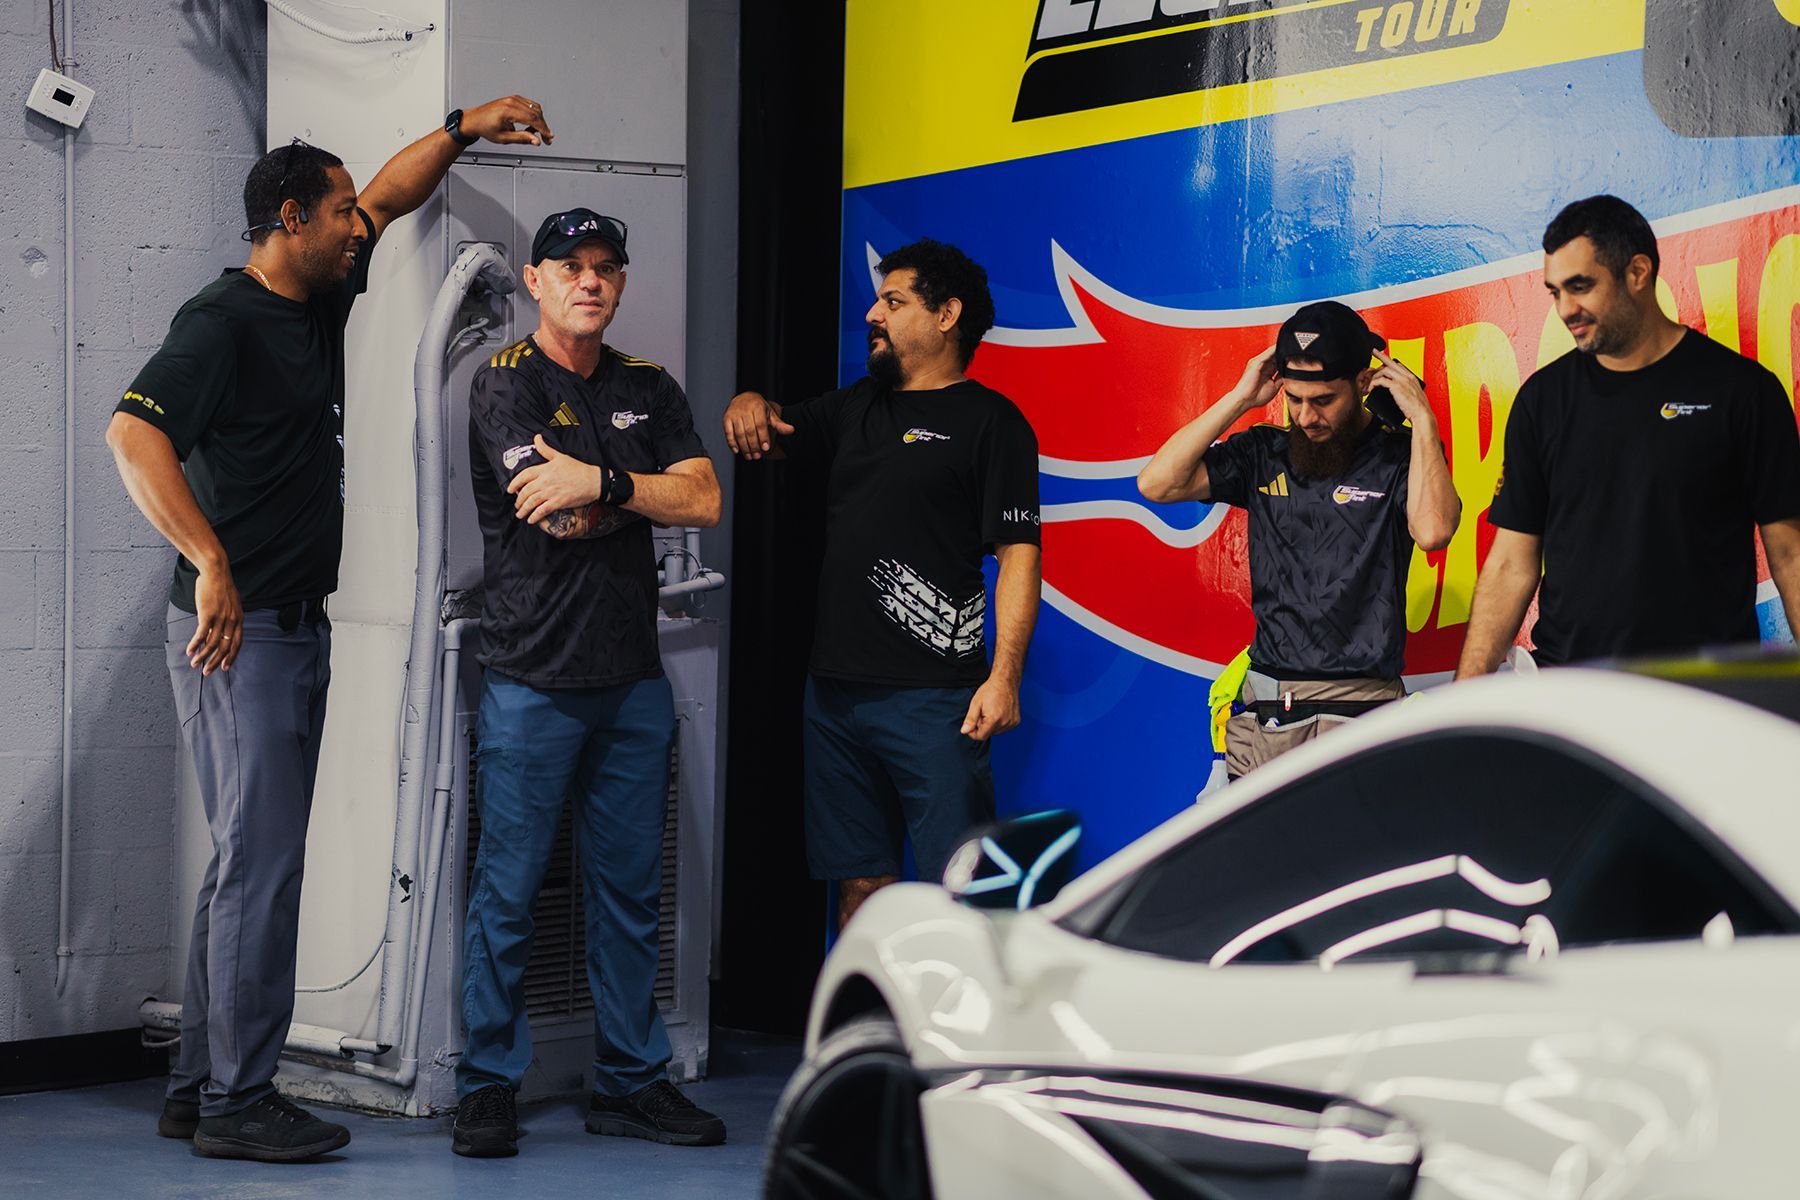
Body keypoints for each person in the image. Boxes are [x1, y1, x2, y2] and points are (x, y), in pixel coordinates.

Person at [107, 96, 553, 1163]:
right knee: (263, 869)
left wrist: (463, 123)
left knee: (244, 866)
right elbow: (133, 436)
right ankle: (237, 1103)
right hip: (240, 632)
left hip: (293, 626)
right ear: (291, 218)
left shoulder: (314, 298)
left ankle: (197, 1084)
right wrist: (212, 563)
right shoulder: (220, 322)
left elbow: (398, 193)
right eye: (341, 212)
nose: (362, 225)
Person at [450, 208, 724, 1158]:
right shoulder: (502, 386)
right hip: (531, 678)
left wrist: (602, 484)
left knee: (626, 895)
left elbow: (706, 498)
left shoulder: (650, 386)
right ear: (535, 282)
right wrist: (641, 489)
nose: (590, 282)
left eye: (607, 266)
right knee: (509, 893)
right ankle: (486, 1083)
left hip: (630, 681)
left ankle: (630, 1082)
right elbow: (552, 520)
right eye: (570, 267)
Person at [723, 239, 1041, 928]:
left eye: (893, 302)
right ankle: (873, 1036)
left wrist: (1006, 674)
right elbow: (768, 430)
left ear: (947, 314)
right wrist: (748, 400)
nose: (873, 314)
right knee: (861, 889)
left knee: (962, 897)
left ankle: (961, 1038)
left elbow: (1019, 555)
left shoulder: (994, 424)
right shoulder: (855, 407)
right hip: (833, 698)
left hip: (934, 702)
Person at [1456, 196, 1800, 677]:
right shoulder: (1542, 401)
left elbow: (1790, 554)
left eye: (1580, 287)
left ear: (1637, 272)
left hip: (1707, 692)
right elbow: (1512, 563)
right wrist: (1468, 691)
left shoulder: (1743, 392)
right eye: (1555, 292)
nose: (1565, 309)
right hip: (1573, 690)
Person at [1138, 301, 1461, 778]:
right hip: (1268, 717)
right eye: (1294, 399)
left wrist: (1423, 422)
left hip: (1365, 714)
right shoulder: (1263, 452)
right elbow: (1156, 484)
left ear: (1363, 383)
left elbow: (1433, 531)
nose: (1306, 416)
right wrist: (1239, 398)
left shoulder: (1400, 457)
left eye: (1324, 400)